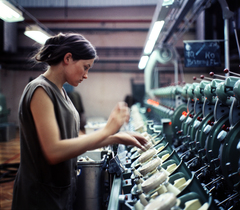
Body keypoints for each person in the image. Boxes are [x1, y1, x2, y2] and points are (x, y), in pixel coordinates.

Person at [11, 33, 148, 210]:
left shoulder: (62, 94)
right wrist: (106, 130)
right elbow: (53, 151)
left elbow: (74, 142)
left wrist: (117, 137)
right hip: (39, 197)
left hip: (60, 190)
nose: (86, 75)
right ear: (68, 58)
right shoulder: (40, 90)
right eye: (85, 67)